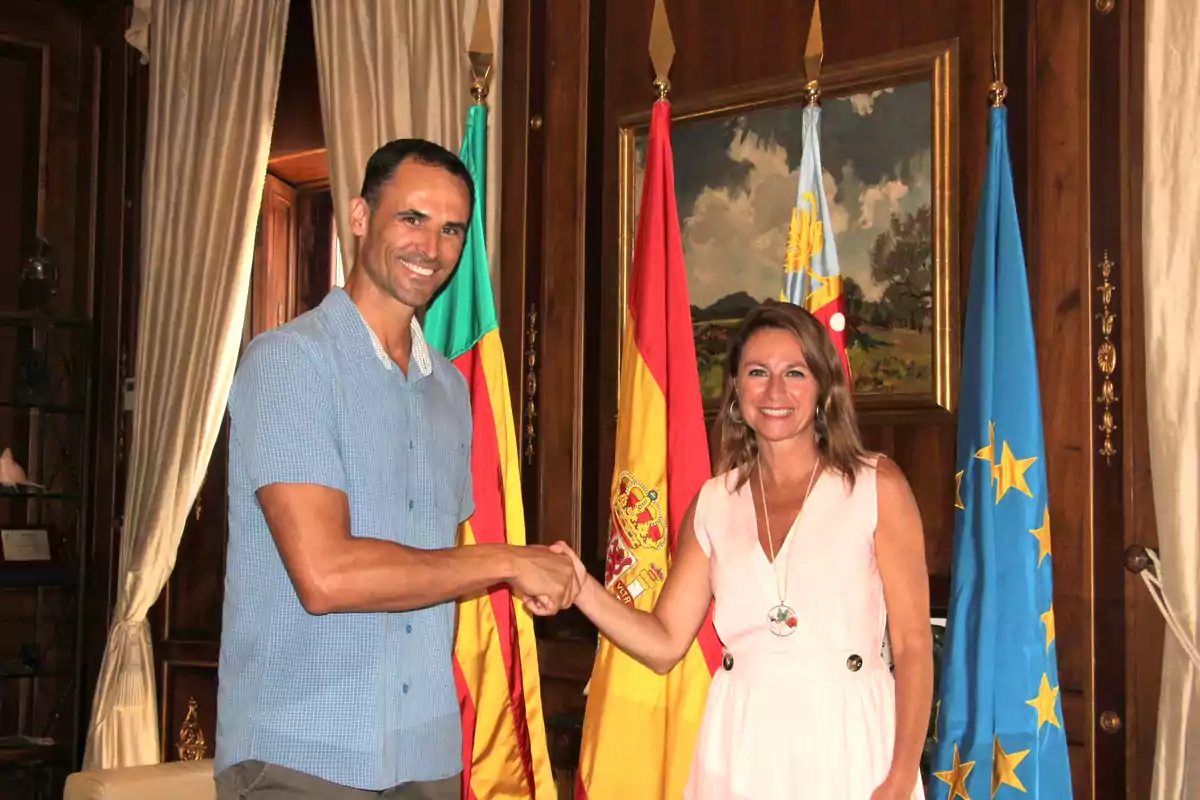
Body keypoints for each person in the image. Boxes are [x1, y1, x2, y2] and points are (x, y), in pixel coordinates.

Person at [214, 139, 580, 800]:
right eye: (411, 218)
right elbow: (327, 576)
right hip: (302, 757)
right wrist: (507, 561)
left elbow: (433, 567)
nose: (431, 247)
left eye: (451, 230)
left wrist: (537, 576)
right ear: (359, 218)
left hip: (428, 757)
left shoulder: (449, 390)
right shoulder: (288, 365)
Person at [543, 300, 932, 799]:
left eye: (795, 372)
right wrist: (581, 587)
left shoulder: (876, 485)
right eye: (757, 372)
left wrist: (901, 776)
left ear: (823, 388)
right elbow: (663, 645)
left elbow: (914, 647)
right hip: (741, 744)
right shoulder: (714, 501)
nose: (775, 391)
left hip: (851, 740)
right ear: (735, 393)